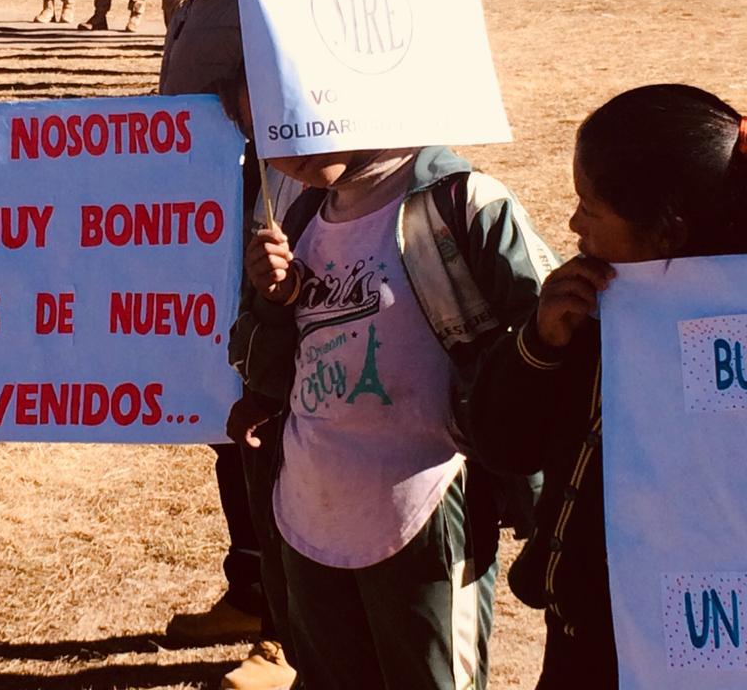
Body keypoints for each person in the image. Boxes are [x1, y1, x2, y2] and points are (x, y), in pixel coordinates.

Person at [225, 59, 557, 690]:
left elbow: (547, 349)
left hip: (425, 514)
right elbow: (270, 368)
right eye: (259, 131)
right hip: (309, 513)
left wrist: (537, 495)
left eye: (288, 118)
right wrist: (275, 300)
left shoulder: (460, 205)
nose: (280, 150)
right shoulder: (299, 222)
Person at [467, 84, 747, 689]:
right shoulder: (587, 317)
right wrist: (539, 343)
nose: (573, 224)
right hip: (585, 647)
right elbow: (503, 447)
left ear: (667, 231)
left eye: (589, 208)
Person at [157, 0, 308, 690]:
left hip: (274, 238)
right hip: (215, 236)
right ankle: (252, 591)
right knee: (233, 418)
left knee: (274, 424)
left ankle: (286, 635)